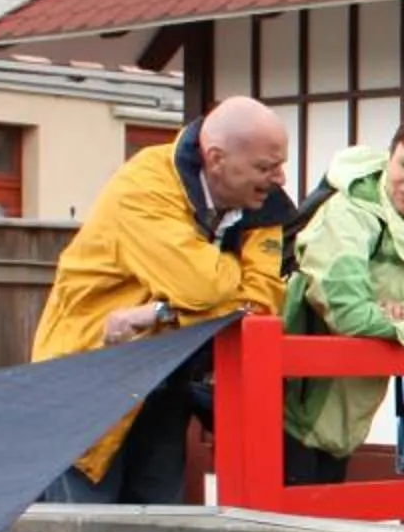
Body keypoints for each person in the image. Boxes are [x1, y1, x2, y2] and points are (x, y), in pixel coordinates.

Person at [31, 95, 293, 503]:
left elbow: (258, 304)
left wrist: (156, 314)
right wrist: (191, 300)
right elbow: (205, 287)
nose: (279, 178)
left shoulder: (264, 204)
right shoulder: (143, 186)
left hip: (166, 381)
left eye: (280, 165)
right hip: (90, 379)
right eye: (265, 167)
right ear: (216, 158)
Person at [279, 110, 404, 485]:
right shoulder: (349, 211)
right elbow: (350, 313)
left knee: (327, 518)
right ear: (390, 157)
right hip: (295, 399)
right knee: (291, 525)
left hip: (353, 400)